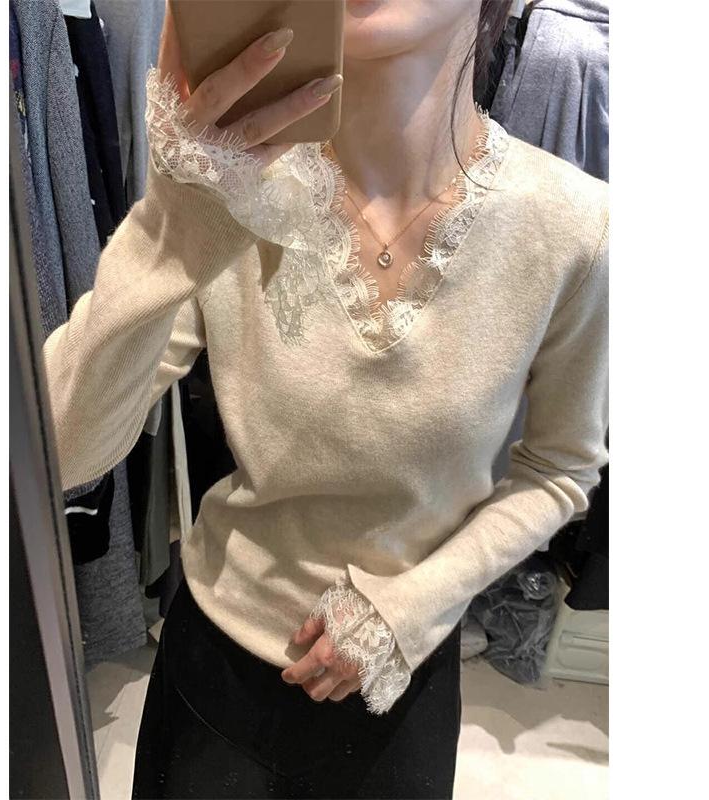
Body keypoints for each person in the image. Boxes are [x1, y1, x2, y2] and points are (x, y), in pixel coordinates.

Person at [42, 0, 609, 797]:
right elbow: (60, 450)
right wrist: (175, 223)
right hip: (214, 679)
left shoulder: (575, 227)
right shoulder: (232, 185)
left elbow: (560, 469)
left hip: (403, 689)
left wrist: (413, 606)